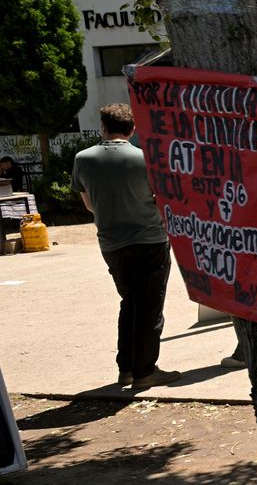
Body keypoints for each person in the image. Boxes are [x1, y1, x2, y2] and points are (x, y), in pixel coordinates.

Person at [71, 103, 181, 390]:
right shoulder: (146, 159)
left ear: (103, 127)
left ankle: (126, 368)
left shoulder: (83, 159)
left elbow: (90, 206)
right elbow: (162, 201)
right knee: (150, 307)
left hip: (111, 242)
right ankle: (145, 370)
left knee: (129, 303)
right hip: (149, 239)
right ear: (133, 129)